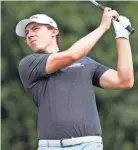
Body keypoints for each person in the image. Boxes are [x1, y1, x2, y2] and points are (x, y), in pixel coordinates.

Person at [15, 7, 134, 150]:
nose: (30, 35)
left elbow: (124, 80)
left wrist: (122, 36)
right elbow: (71, 56)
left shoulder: (86, 62)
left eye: (35, 29)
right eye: (27, 33)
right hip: (50, 147)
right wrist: (103, 27)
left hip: (88, 145)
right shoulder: (28, 64)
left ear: (54, 31)